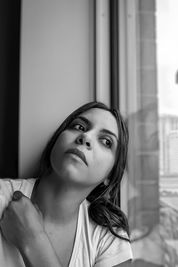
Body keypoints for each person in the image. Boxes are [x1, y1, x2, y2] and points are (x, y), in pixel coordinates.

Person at [0, 101, 133, 267]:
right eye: (79, 127)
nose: (86, 137)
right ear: (56, 141)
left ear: (110, 175)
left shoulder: (109, 240)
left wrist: (33, 240)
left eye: (106, 141)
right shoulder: (2, 196)